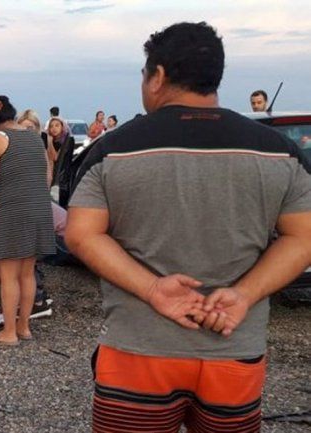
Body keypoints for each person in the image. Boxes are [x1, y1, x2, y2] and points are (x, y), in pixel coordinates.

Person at [65, 22, 311, 433]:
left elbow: (80, 234)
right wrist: (242, 295)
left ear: (158, 76)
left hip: (138, 351)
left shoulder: (112, 149)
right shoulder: (277, 151)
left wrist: (152, 289)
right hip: (235, 348)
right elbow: (303, 238)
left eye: (144, 76)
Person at [0, 95, 57, 346]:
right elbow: (45, 175)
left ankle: (8, 333)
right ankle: (24, 328)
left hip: (12, 212)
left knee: (9, 274)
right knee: (27, 273)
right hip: (38, 210)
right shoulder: (35, 136)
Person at [18, 109, 55, 186]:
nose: (26, 131)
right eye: (22, 128)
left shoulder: (44, 140)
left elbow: (51, 162)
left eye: (29, 128)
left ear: (37, 127)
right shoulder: (15, 145)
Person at [48, 117, 77, 203]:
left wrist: (49, 143)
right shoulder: (49, 141)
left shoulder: (68, 140)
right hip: (51, 179)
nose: (54, 128)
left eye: (57, 125)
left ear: (62, 127)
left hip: (62, 180)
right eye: (51, 126)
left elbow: (56, 158)